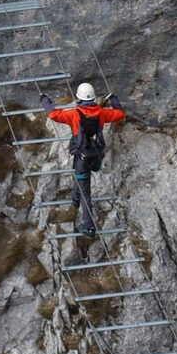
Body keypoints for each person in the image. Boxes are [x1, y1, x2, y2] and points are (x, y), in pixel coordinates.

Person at [47, 83, 126, 241]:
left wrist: (45, 101)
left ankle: (89, 226)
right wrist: (114, 100)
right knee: (80, 180)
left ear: (79, 97)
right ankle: (75, 198)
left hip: (82, 158)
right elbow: (119, 114)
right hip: (94, 155)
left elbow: (53, 114)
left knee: (86, 192)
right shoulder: (102, 113)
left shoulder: (74, 115)